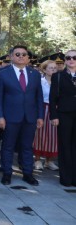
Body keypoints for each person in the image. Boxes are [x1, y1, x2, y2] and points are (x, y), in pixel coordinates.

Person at [0, 45, 44, 186]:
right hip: (10, 117)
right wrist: (0, 116)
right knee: (8, 146)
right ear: (11, 57)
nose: (21, 56)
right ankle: (6, 173)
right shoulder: (2, 73)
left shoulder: (35, 74)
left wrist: (40, 116)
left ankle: (28, 174)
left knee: (27, 147)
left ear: (28, 58)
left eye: (24, 54)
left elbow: (38, 97)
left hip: (30, 117)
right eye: (17, 54)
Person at [50, 50, 76, 187]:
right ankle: (66, 178)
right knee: (65, 145)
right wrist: (53, 116)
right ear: (65, 60)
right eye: (69, 57)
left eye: (75, 57)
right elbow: (53, 98)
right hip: (64, 114)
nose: (72, 60)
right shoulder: (58, 76)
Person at [33, 60, 58, 171]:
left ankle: (49, 161)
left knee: (53, 136)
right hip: (42, 109)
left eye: (55, 68)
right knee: (40, 134)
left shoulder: (58, 82)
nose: (53, 70)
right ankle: (37, 160)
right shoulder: (40, 81)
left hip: (55, 110)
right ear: (44, 70)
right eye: (50, 68)